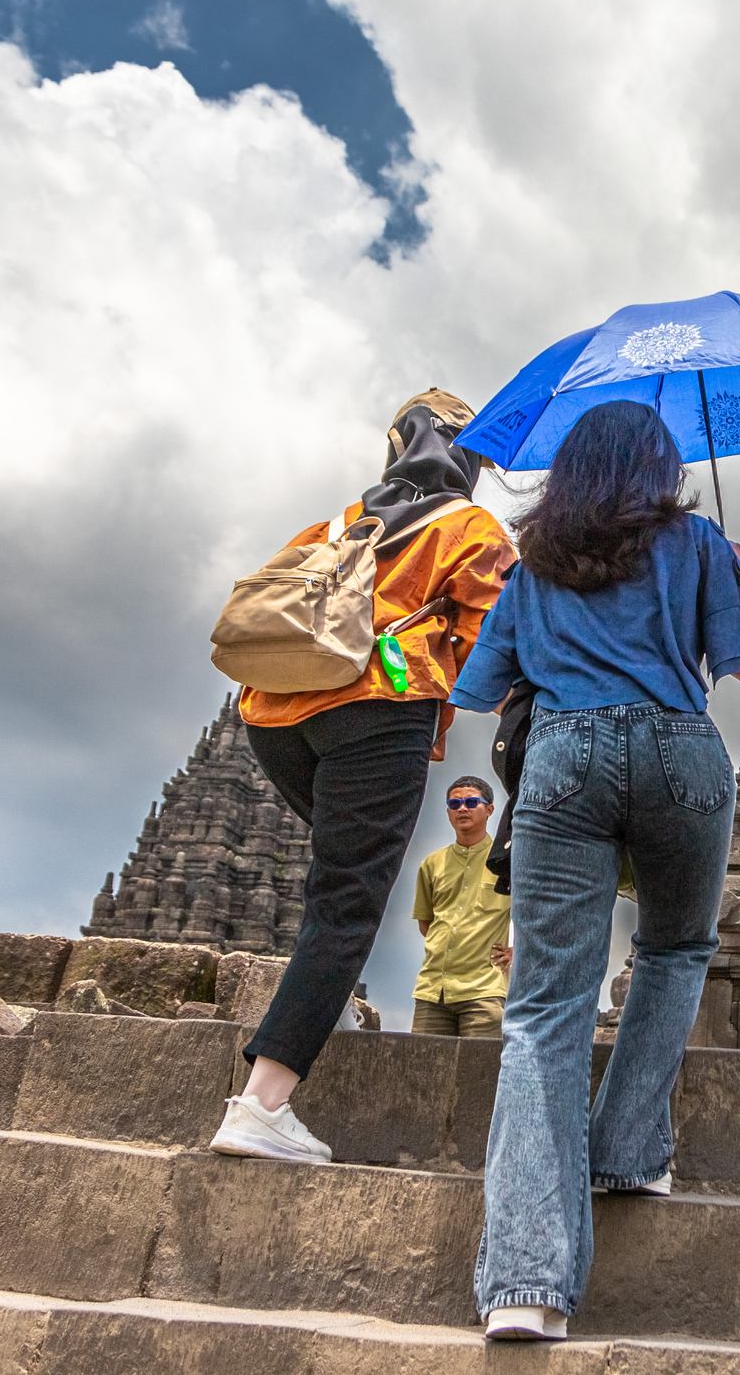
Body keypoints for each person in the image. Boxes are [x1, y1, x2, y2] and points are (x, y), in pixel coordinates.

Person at [447, 399, 740, 1342]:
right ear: (659, 466)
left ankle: (524, 1284)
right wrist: (730, 576)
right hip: (682, 752)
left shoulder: (534, 561)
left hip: (563, 758)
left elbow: (480, 689)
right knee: (676, 950)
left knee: (547, 1009)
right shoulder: (699, 542)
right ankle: (626, 1151)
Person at [209, 389, 514, 1164]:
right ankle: (262, 1103)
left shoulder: (346, 520)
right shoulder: (468, 526)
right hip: (378, 708)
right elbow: (494, 645)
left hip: (272, 715)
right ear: (467, 456)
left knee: (335, 877)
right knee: (347, 900)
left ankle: (320, 1012)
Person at [410, 776, 511, 1038]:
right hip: (433, 990)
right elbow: (427, 923)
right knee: (422, 1071)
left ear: (489, 809)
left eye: (471, 802)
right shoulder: (432, 864)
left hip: (484, 991)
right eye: (455, 804)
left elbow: (538, 914)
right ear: (448, 812)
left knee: (478, 1076)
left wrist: (518, 951)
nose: (462, 809)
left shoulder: (506, 863)